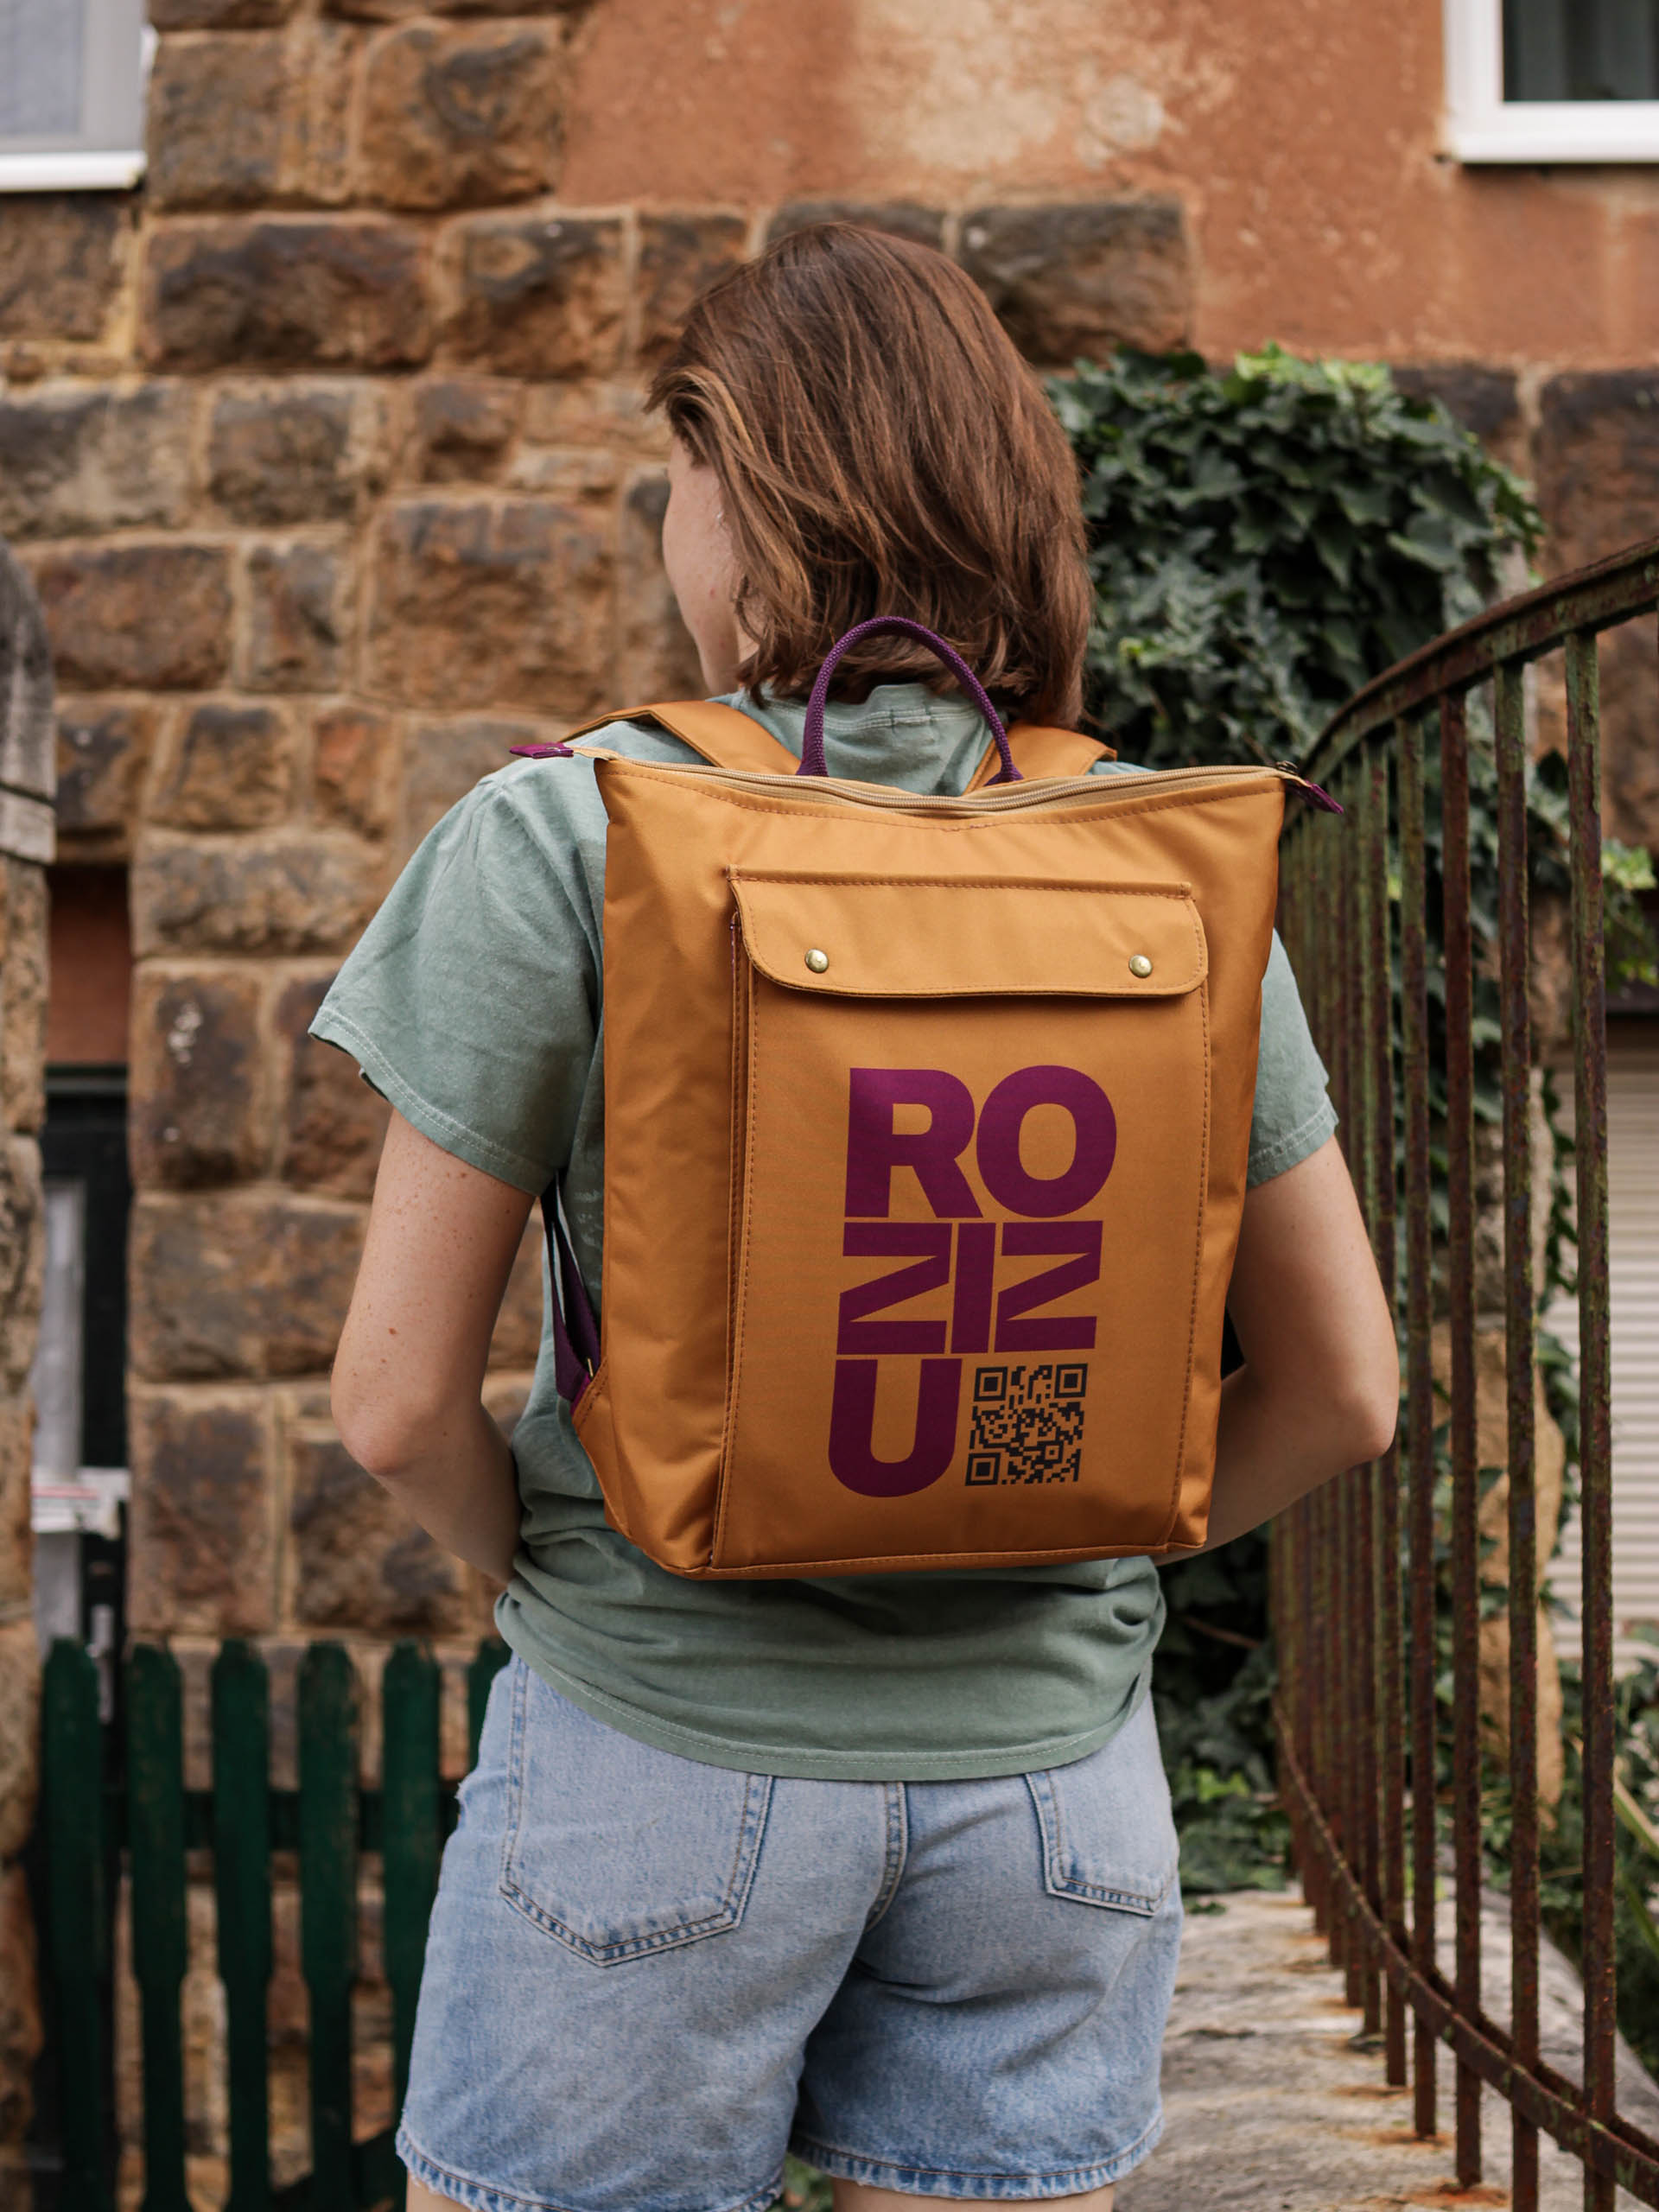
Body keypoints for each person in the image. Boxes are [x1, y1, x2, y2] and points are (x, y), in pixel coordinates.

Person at [319, 223, 1399, 2212]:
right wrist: (1062, 1534)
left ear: (740, 493)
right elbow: (1345, 1390)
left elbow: (393, 1404)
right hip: (1057, 1803)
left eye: (675, 473)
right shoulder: (1158, 863)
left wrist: (559, 1580)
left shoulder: (572, 832)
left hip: (656, 1750)